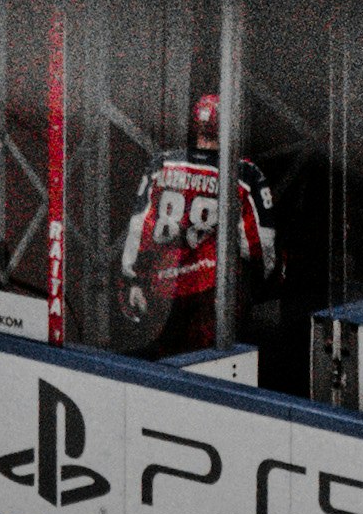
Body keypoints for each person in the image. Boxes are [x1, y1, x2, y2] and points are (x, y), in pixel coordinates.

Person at [117, 92, 276, 361]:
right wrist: (266, 282)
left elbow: (139, 227)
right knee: (212, 368)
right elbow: (257, 245)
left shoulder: (162, 164)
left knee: (167, 366)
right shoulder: (244, 174)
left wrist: (131, 276)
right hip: (213, 291)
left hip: (164, 290)